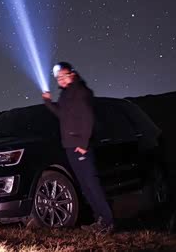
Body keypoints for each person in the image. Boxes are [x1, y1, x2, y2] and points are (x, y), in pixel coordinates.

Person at [42, 61, 114, 234]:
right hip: (70, 146)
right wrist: (48, 102)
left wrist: (83, 144)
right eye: (58, 77)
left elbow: (88, 118)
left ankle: (108, 221)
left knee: (91, 184)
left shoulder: (80, 91)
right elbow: (62, 115)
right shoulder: (66, 95)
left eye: (63, 75)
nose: (60, 79)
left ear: (72, 75)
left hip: (80, 147)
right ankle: (99, 220)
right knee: (84, 186)